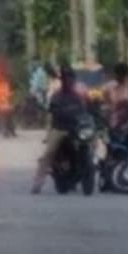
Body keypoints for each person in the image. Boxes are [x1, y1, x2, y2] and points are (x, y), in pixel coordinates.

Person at [30, 65, 87, 195]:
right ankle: (37, 183)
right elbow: (51, 110)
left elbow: (84, 112)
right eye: (66, 78)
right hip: (60, 128)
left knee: (87, 146)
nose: (69, 81)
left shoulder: (77, 97)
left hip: (75, 130)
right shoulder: (56, 96)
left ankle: (84, 174)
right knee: (48, 154)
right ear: (63, 80)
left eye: (71, 78)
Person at [102, 62, 128, 131]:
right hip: (113, 118)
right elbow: (106, 103)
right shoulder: (108, 87)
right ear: (116, 74)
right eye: (119, 73)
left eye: (124, 73)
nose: (121, 76)